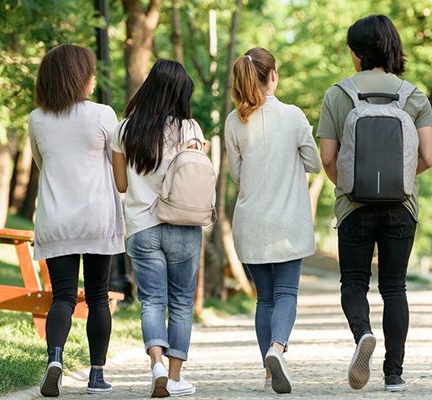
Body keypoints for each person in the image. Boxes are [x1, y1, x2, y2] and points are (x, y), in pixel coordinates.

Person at [317, 14, 432, 393]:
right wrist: (400, 180)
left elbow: (327, 157)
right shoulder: (413, 95)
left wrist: (351, 185)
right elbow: (430, 156)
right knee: (394, 287)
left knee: (354, 281)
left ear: (357, 53)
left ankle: (363, 334)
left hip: (353, 206)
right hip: (402, 207)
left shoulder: (338, 94)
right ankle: (394, 374)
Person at [225, 47, 321, 394]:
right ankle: (277, 348)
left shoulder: (234, 121)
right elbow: (313, 163)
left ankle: (268, 373)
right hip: (288, 223)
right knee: (286, 294)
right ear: (273, 76)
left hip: (251, 222)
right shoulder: (294, 116)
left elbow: (236, 174)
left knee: (264, 298)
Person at [29, 44, 124, 397]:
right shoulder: (103, 114)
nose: (94, 78)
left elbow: (42, 163)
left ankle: (55, 359)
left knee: (63, 297)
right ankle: (96, 376)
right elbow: (118, 165)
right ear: (78, 76)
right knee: (98, 296)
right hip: (96, 218)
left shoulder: (36, 118)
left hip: (56, 220)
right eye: (91, 72)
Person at [111, 60, 205, 398]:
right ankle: (176, 378)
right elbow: (196, 177)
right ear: (181, 93)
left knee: (151, 301)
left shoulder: (124, 130)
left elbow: (121, 184)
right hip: (183, 224)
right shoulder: (190, 129)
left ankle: (157, 366)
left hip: (141, 226)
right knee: (180, 302)